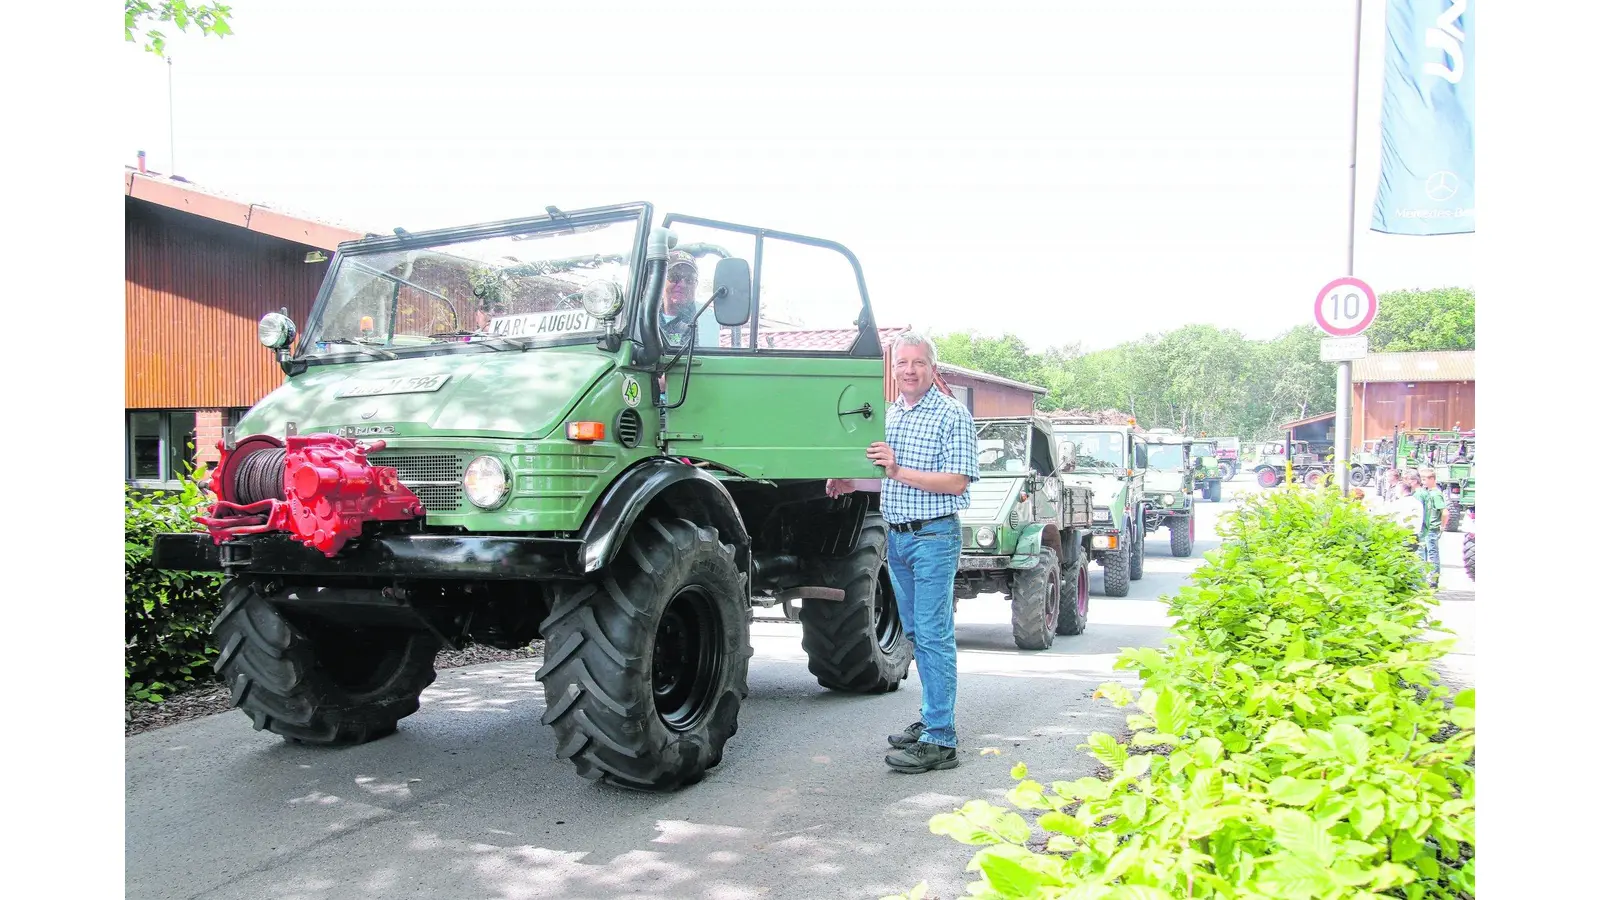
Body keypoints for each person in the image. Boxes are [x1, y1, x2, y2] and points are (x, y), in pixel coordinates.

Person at [825, 331, 978, 774]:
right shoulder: (892, 415)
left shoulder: (952, 415)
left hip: (934, 538)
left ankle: (941, 740)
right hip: (899, 538)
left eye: (919, 363)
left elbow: (956, 481)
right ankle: (933, 720)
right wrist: (855, 483)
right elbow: (889, 479)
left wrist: (894, 468)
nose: (910, 370)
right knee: (916, 634)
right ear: (893, 372)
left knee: (933, 637)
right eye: (902, 364)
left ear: (933, 368)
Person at [659, 250, 718, 349]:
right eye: (674, 276)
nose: (682, 284)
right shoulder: (644, 315)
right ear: (661, 280)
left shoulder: (706, 318)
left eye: (689, 279)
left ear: (696, 285)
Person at [1416, 467, 1451, 587]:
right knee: (1425, 554)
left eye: (1425, 479)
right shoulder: (1428, 492)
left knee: (1432, 555)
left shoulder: (1435, 494)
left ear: (1432, 479)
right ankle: (1427, 578)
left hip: (1432, 528)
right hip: (1427, 529)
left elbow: (1445, 512)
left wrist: (1441, 527)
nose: (1423, 481)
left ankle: (1433, 580)